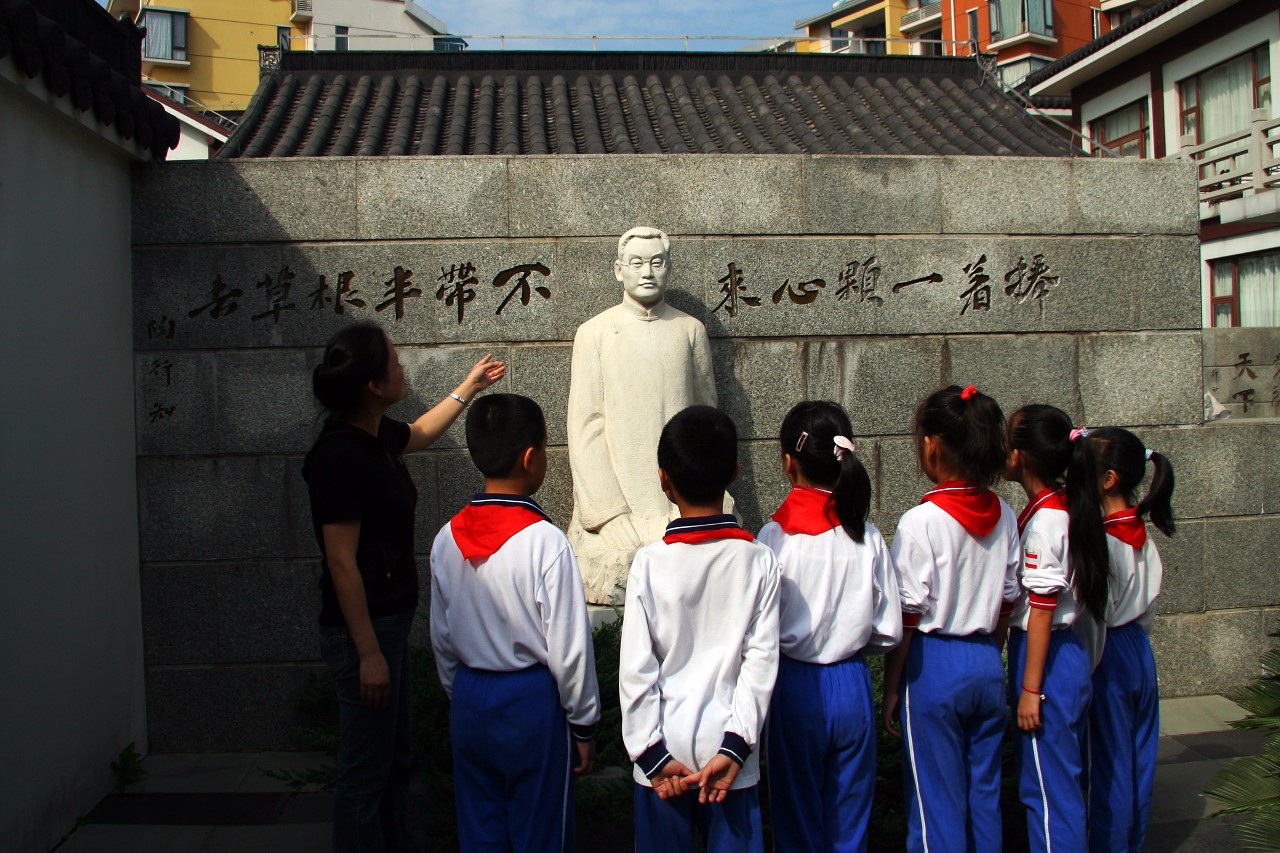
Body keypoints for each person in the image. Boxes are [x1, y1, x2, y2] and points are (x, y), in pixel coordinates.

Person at [303, 323, 504, 853]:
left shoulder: (375, 437)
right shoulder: (338, 456)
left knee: (393, 762)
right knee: (365, 772)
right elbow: (341, 564)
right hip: (363, 635)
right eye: (393, 362)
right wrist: (368, 654)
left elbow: (418, 432)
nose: (402, 369)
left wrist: (469, 386)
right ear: (372, 385)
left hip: (387, 625)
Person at [429, 393, 601, 853]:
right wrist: (584, 724)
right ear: (530, 458)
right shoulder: (546, 542)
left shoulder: (447, 537)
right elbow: (570, 650)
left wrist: (459, 691)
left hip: (469, 695)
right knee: (541, 830)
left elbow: (442, 638)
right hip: (530, 702)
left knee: (479, 828)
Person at [619, 405, 780, 853]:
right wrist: (734, 748)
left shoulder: (649, 564)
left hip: (660, 759)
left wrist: (651, 757)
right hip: (731, 761)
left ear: (663, 479)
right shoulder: (758, 560)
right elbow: (761, 663)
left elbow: (635, 671)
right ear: (734, 473)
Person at [881, 384, 1021, 853]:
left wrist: (892, 687)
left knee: (934, 802)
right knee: (985, 796)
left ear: (931, 446)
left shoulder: (921, 522)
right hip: (985, 661)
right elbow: (1007, 601)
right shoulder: (1004, 513)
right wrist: (989, 656)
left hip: (933, 667)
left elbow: (907, 615)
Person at [758, 401, 901, 853]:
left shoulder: (773, 538)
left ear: (788, 463)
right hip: (852, 682)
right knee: (850, 821)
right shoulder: (869, 536)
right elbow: (889, 630)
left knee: (796, 818)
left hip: (792, 686)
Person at [567, 226, 721, 604]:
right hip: (620, 504)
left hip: (683, 505)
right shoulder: (594, 333)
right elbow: (585, 426)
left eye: (656, 262)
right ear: (619, 270)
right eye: (636, 263)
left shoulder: (690, 330)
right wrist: (608, 513)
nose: (647, 272)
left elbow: (707, 420)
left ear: (669, 268)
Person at [1004, 406, 1111, 853]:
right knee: (1063, 783)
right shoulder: (1065, 508)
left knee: (1047, 793)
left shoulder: (1047, 521)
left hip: (1043, 659)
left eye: (1010, 438)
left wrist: (1031, 689)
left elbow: (1043, 609)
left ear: (1022, 457)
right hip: (1062, 656)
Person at [1086, 427, 1173, 853]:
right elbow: (1150, 609)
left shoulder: (1101, 540)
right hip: (1139, 648)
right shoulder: (1142, 535)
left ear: (1108, 480)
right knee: (1138, 760)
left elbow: (1094, 618)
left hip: (1108, 651)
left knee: (1110, 766)